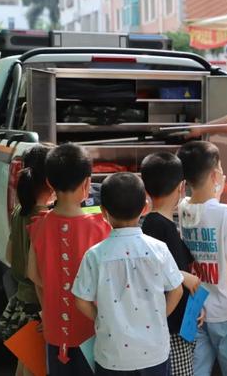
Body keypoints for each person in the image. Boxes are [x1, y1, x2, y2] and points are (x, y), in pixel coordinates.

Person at [73, 172, 184, 376]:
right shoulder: (158, 249)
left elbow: (81, 300)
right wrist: (159, 315)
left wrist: (101, 317)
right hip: (154, 353)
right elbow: (176, 290)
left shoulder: (95, 255)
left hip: (112, 355)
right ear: (145, 208)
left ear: (104, 212)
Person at [27, 143, 111, 376]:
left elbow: (34, 275)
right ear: (87, 184)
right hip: (92, 333)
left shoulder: (39, 226)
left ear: (50, 184)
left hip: (54, 332)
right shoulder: (102, 228)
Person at [176, 141, 227, 376]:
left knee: (197, 369)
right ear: (216, 175)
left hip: (196, 307)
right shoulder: (224, 213)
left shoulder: (184, 207)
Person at [140, 152, 203, 376]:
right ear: (181, 187)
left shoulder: (160, 223)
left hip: (179, 323)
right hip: (170, 328)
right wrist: (183, 276)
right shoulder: (156, 225)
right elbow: (150, 269)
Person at [0, 145, 53, 376]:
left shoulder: (20, 210)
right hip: (37, 306)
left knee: (25, 365)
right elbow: (38, 272)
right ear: (51, 181)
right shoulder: (44, 218)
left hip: (20, 299)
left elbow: (9, 254)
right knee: (35, 367)